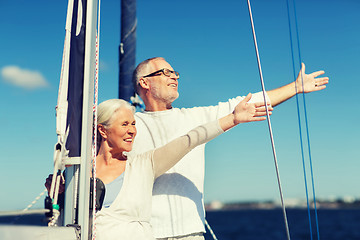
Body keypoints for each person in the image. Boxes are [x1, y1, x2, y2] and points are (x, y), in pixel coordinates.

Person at [131, 57, 329, 240]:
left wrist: (295, 87)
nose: (174, 76)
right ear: (145, 82)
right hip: (142, 233)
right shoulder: (127, 125)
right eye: (165, 72)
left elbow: (245, 104)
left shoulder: (194, 117)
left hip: (190, 233)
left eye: (175, 73)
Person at [94, 97, 272, 240]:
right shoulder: (80, 172)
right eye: (125, 124)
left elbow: (190, 140)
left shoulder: (144, 164)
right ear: (103, 131)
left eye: (133, 124)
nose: (132, 130)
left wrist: (232, 119)